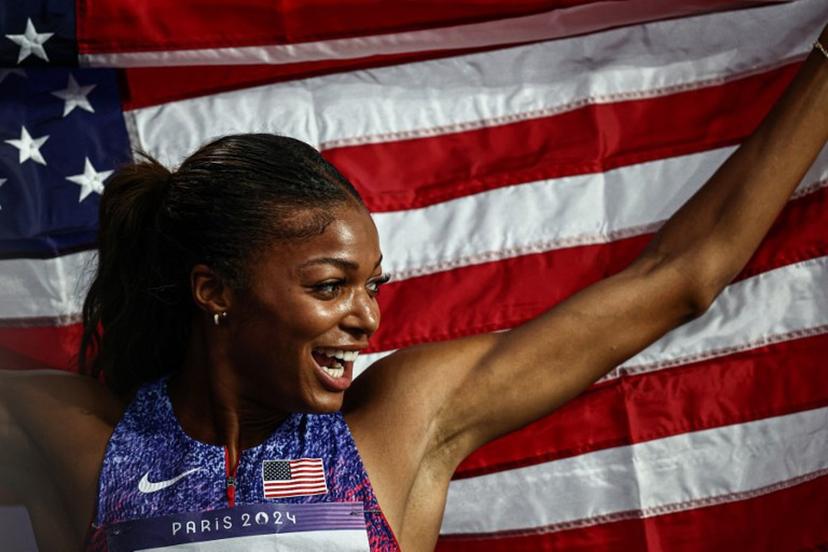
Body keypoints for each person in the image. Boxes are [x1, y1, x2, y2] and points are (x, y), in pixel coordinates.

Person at [1, 26, 826, 552]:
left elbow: (678, 276)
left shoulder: (400, 427)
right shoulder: (72, 437)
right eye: (331, 286)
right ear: (215, 290)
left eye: (373, 287)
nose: (365, 318)